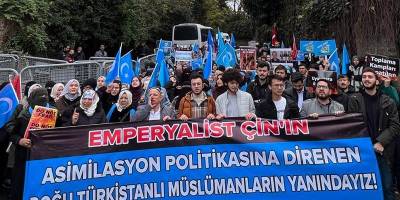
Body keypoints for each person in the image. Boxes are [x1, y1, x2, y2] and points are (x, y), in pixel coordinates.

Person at [348, 68, 399, 200]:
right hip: (362, 151)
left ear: (377, 81)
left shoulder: (388, 101)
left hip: (383, 151)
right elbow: (351, 124)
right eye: (364, 76)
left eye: (370, 77)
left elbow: (395, 125)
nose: (366, 79)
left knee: (387, 187)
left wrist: (381, 142)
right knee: (365, 189)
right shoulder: (354, 99)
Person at [5, 87, 50, 200]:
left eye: (45, 99)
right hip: (22, 156)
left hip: (42, 157)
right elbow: (10, 132)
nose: (42, 102)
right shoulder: (22, 113)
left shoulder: (53, 113)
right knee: (20, 185)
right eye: (40, 99)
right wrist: (20, 140)